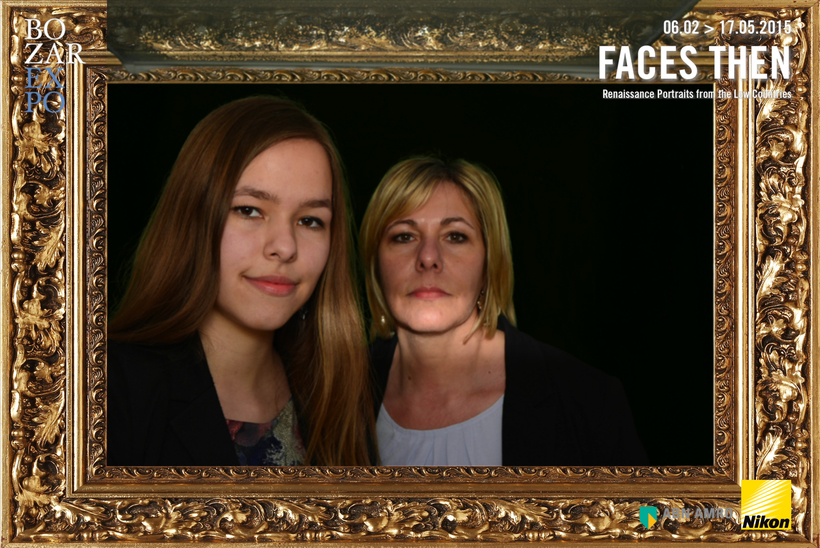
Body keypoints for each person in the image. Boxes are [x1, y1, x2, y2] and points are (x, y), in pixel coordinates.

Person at [107, 96, 373, 467]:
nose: (285, 247)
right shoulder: (104, 388)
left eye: (310, 220)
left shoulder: (337, 390)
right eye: (249, 210)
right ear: (193, 217)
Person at [359, 157, 646, 466]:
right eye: (404, 236)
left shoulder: (588, 401)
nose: (428, 257)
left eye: (455, 236)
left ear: (489, 264)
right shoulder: (336, 393)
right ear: (376, 265)